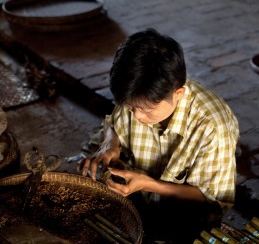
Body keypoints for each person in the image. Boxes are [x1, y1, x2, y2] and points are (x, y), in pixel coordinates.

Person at [78, 28, 239, 232]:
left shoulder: (213, 127)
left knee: (195, 222)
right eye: (130, 107)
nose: (136, 116)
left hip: (186, 210)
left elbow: (211, 197)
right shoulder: (137, 91)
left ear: (178, 93)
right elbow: (115, 121)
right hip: (140, 192)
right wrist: (110, 143)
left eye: (146, 110)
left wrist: (149, 184)